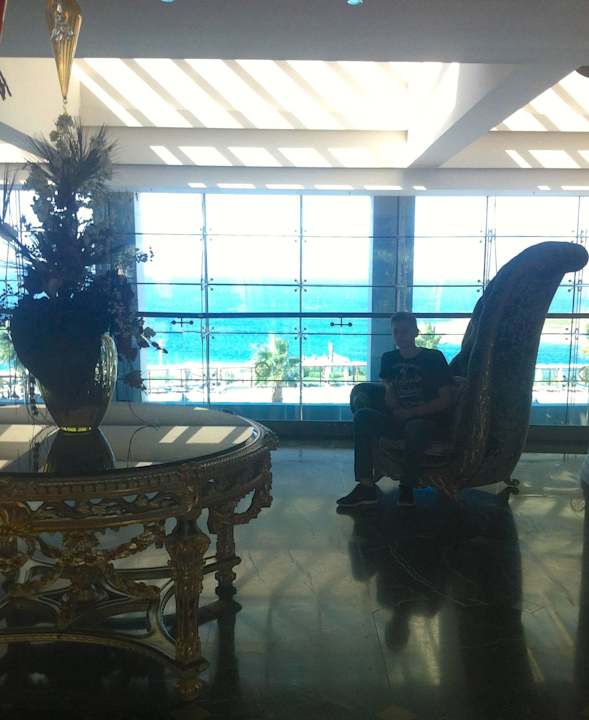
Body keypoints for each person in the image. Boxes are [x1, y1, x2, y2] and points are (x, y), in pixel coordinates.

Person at [337, 312, 453, 509]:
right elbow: (388, 390)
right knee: (362, 417)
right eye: (396, 332)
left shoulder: (433, 358)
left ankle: (407, 485)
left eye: (405, 331)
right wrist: (392, 400)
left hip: (426, 420)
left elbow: (446, 400)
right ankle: (366, 486)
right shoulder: (389, 358)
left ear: (416, 332)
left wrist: (411, 413)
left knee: (416, 427)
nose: (400, 336)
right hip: (399, 418)